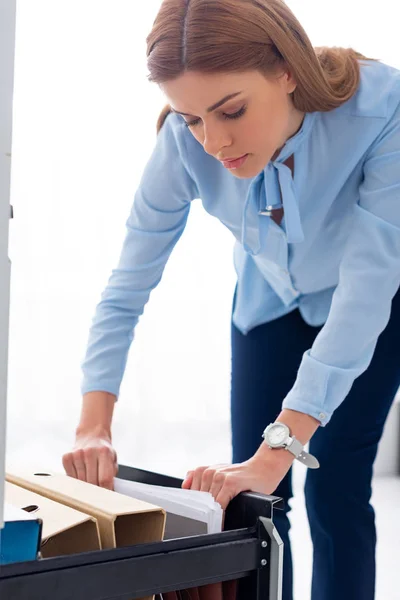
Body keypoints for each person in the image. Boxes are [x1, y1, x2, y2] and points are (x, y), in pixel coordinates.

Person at [62, 1, 400, 599]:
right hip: (266, 305)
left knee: (337, 489)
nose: (213, 142)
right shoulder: (182, 144)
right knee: (255, 504)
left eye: (232, 111)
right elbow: (126, 286)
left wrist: (284, 444)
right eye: (193, 117)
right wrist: (95, 424)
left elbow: (368, 287)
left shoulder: (383, 110)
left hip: (369, 310)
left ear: (287, 70)